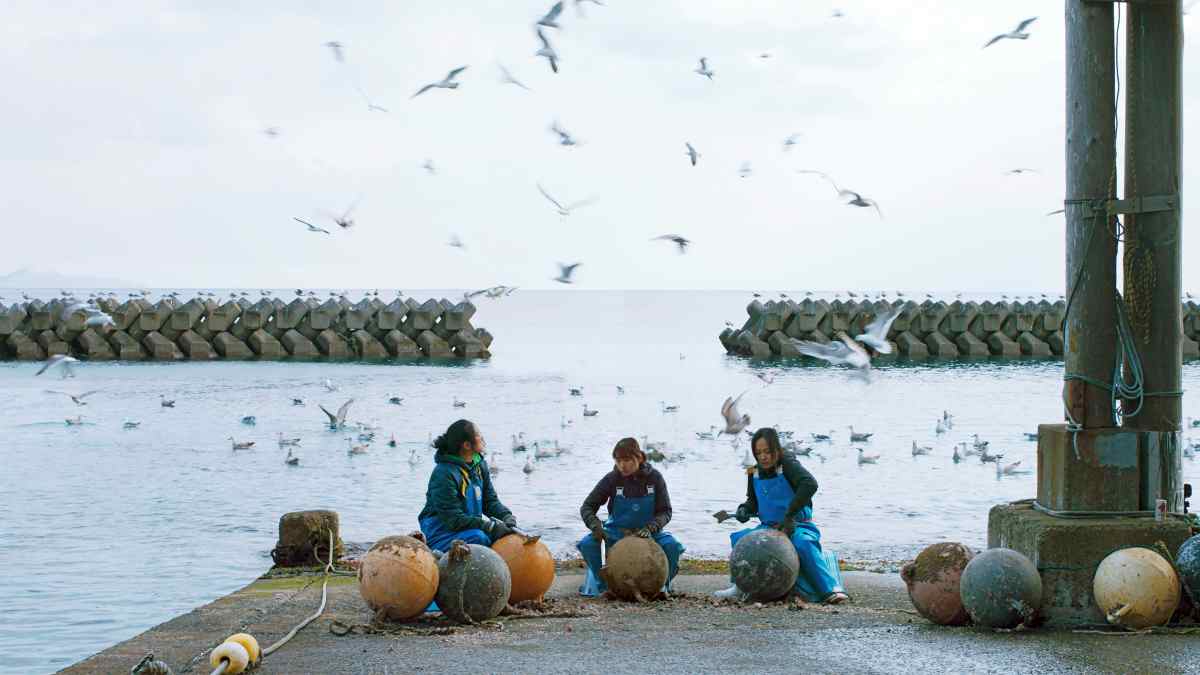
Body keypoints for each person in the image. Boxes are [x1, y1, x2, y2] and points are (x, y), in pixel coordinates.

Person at [715, 427, 848, 604]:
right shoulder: (752, 472)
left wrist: (789, 516)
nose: (763, 457)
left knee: (803, 544)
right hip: (768, 528)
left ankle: (830, 589)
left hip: (798, 525)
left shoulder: (788, 464)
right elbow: (752, 501)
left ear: (776, 450)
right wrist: (744, 510)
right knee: (739, 538)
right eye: (758, 453)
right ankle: (740, 586)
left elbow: (810, 484)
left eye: (767, 452)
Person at [577, 437, 685, 597]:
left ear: (639, 458)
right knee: (587, 544)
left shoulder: (655, 478)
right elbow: (587, 507)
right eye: (618, 460)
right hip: (617, 533)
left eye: (627, 460)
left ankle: (662, 586)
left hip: (649, 533)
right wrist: (595, 525)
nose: (622, 465)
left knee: (673, 546)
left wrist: (651, 527)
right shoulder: (611, 479)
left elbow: (666, 511)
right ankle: (605, 587)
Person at [418, 419, 518, 552]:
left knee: (509, 534)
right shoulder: (444, 473)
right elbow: (453, 519)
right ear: (466, 445)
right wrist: (490, 527)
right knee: (480, 538)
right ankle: (433, 552)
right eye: (479, 436)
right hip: (441, 533)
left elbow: (489, 501)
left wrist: (506, 516)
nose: (483, 439)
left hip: (468, 529)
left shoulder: (479, 465)